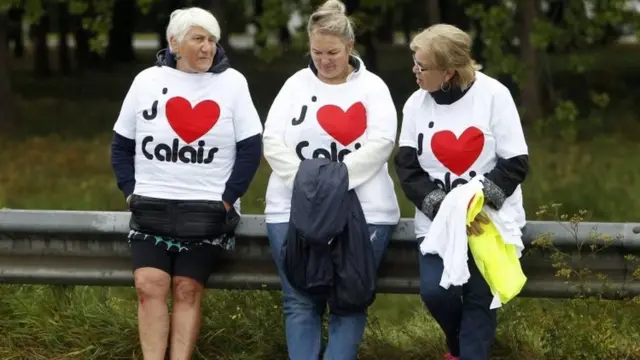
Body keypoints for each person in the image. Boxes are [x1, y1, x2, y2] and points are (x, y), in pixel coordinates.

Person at [109, 7, 263, 360]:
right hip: (151, 208)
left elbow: (251, 147)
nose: (207, 47)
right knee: (149, 286)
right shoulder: (145, 82)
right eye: (199, 39)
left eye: (212, 40)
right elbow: (121, 143)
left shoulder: (233, 83)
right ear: (174, 43)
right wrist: (130, 191)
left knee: (187, 289)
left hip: (207, 211)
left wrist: (228, 199)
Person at [262, 0, 401, 358]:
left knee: (349, 301)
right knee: (299, 301)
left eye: (333, 52)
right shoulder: (294, 85)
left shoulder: (374, 88)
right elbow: (272, 140)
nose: (324, 60)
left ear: (350, 47)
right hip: (290, 206)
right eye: (317, 52)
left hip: (366, 208)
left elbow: (382, 142)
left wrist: (333, 183)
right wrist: (308, 183)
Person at [394, 24, 529, 360]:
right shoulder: (414, 104)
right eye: (415, 62)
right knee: (436, 293)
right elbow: (408, 169)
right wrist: (449, 212)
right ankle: (456, 346)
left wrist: (473, 208)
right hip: (437, 221)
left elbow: (515, 162)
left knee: (479, 300)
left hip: (487, 220)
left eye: (422, 66)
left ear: (449, 71)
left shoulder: (495, 96)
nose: (415, 70)